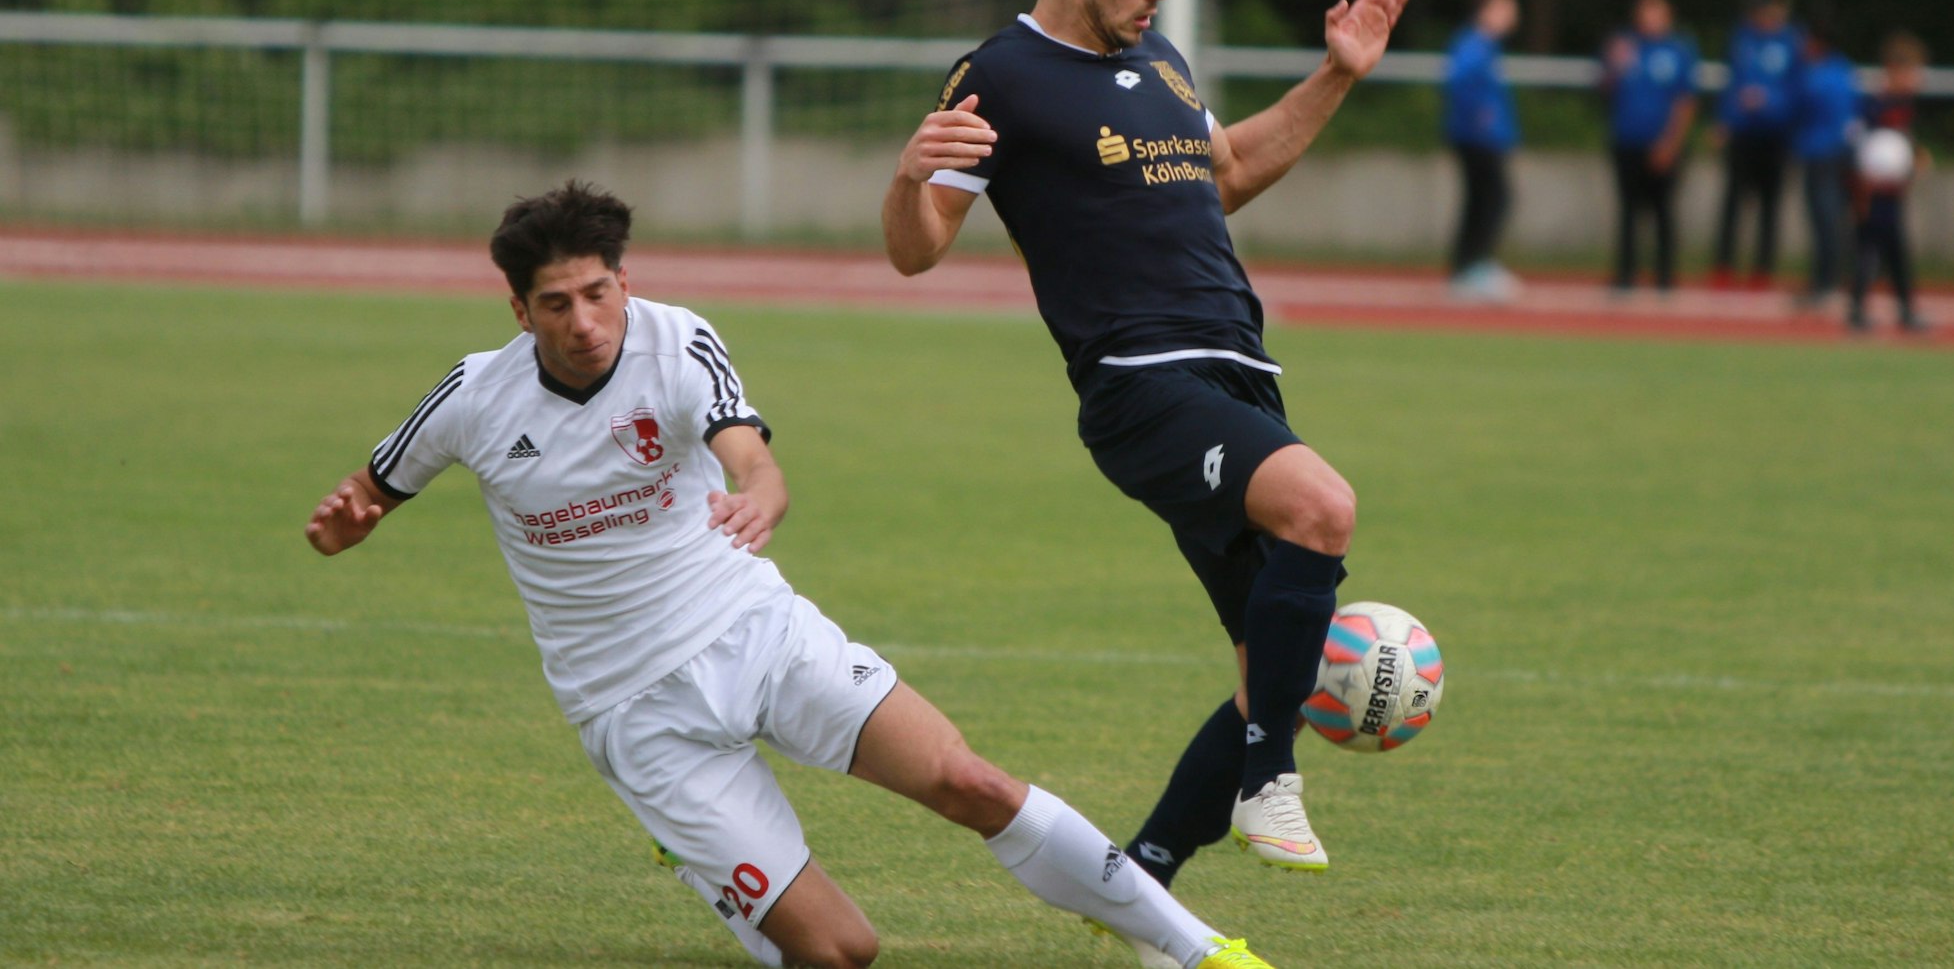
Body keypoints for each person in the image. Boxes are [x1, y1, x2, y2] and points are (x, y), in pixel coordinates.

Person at [304, 181, 1281, 969]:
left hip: (751, 631)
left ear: (623, 282)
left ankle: (1195, 950)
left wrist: (759, 492)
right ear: (518, 309)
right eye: (555, 304)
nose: (584, 321)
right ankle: (696, 854)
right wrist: (350, 523)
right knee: (841, 952)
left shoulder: (674, 339)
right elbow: (376, 486)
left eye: (598, 292)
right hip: (630, 709)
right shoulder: (476, 397)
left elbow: (750, 455)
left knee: (966, 780)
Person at [880, 0, 1409, 932]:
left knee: (1280, 661)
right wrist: (903, 177)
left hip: (1235, 375)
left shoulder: (1160, 60)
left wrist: (1339, 71)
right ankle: (1268, 782)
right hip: (1139, 388)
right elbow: (919, 248)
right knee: (1323, 506)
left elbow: (1224, 175)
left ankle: (1140, 879)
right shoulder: (1000, 76)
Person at [1602, 0, 1700, 294]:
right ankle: (1626, 275)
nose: (1650, 19)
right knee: (1628, 211)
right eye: (1645, 12)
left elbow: (1685, 101)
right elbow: (1605, 88)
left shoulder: (1679, 50)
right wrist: (1614, 65)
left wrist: (1670, 143)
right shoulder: (1624, 46)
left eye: (1656, 12)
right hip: (1627, 141)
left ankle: (1665, 277)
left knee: (1663, 211)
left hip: (1662, 143)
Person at [1710, 0, 1804, 290]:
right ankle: (1723, 266)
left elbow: (1798, 89)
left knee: (1770, 204)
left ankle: (1762, 270)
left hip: (1775, 133)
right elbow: (1733, 81)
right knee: (1733, 201)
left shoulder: (1793, 42)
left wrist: (1770, 101)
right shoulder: (1743, 38)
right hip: (1743, 132)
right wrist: (1724, 120)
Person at [1442, 0, 1522, 302]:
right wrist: (1480, 117)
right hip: (1477, 138)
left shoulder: (1486, 46)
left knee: (1483, 200)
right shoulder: (1474, 43)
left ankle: (1469, 266)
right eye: (1504, 8)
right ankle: (1474, 267)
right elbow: (1459, 82)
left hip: (1483, 137)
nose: (1511, 15)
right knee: (1493, 199)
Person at [1848, 31, 1930, 333]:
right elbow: (1863, 145)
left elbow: (1902, 144)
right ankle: (1857, 310)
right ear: (1894, 70)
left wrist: (1916, 157)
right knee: (1870, 249)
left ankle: (1906, 310)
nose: (1917, 79)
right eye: (1913, 72)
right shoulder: (1876, 104)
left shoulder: (1904, 105)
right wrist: (1860, 188)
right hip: (1873, 191)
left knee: (1896, 251)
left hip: (1893, 191)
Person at [1789, 21, 1861, 308]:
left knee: (1825, 220)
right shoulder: (1844, 70)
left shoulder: (1816, 76)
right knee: (1832, 220)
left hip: (1822, 154)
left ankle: (1826, 283)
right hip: (1838, 152)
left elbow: (1793, 106)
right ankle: (1831, 279)